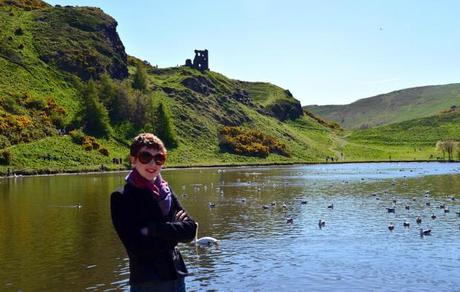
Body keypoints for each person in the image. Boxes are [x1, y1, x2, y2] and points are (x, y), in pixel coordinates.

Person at [111, 133, 197, 291]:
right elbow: (138, 246)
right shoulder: (122, 197)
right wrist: (175, 231)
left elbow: (191, 229)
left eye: (159, 158)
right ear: (133, 160)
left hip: (177, 278)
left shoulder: (166, 191)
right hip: (147, 282)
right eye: (145, 156)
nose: (153, 163)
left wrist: (155, 229)